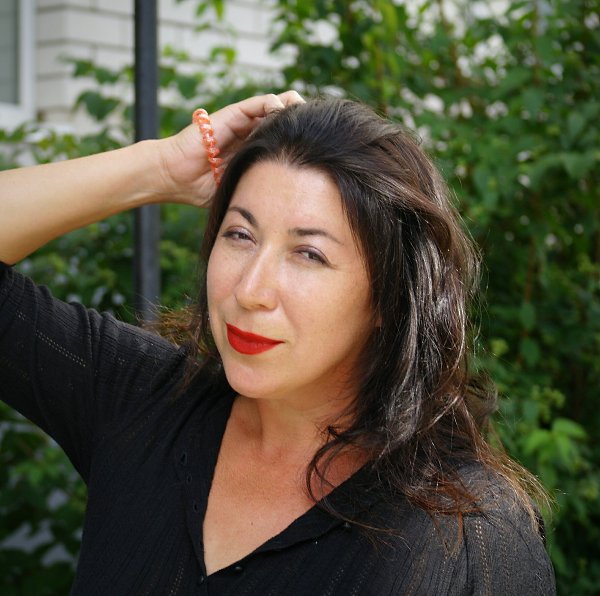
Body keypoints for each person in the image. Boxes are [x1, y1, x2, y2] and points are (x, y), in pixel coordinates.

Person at [0, 92, 555, 595]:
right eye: (240, 235)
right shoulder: (140, 401)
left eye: (308, 253)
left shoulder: (468, 535)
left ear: (389, 296)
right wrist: (161, 167)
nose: (250, 290)